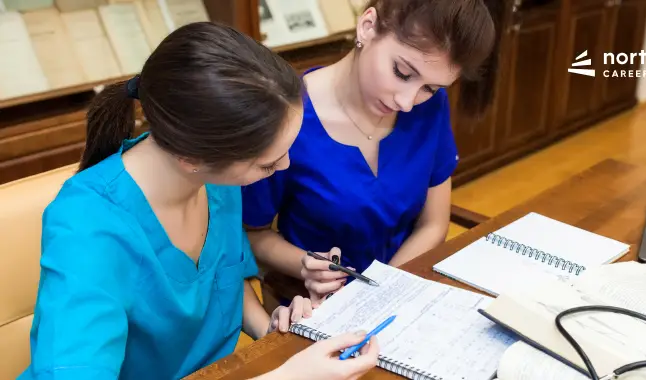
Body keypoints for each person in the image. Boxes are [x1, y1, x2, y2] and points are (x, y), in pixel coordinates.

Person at [19, 22, 378, 380]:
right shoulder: (87, 226)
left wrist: (273, 327)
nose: (284, 167)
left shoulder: (214, 178)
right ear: (191, 158)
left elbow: (226, 283)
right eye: (267, 164)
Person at [242, 0, 499, 303]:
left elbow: (433, 224)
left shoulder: (430, 108)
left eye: (430, 88)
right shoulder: (287, 118)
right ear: (367, 27)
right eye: (402, 72)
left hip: (400, 293)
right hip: (309, 304)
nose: (407, 101)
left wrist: (383, 289)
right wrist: (305, 265)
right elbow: (252, 234)